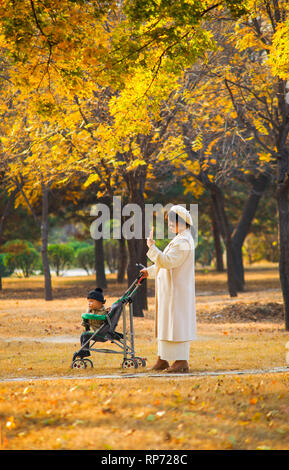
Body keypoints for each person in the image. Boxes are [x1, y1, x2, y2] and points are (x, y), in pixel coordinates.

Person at [140, 205, 197, 373]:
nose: (170, 225)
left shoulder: (184, 241)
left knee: (176, 325)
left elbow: (168, 261)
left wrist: (151, 247)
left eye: (173, 222)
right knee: (166, 324)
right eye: (169, 222)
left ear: (182, 222)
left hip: (177, 292)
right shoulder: (179, 239)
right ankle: (162, 359)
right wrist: (148, 271)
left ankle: (181, 362)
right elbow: (163, 263)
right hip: (169, 291)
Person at [78, 287, 110, 358]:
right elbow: (87, 320)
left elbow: (100, 317)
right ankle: (84, 350)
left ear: (100, 302)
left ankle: (85, 351)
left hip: (103, 334)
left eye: (91, 301)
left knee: (85, 335)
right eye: (88, 302)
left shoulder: (103, 312)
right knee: (84, 335)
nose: (89, 303)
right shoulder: (91, 311)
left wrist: (89, 316)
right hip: (97, 333)